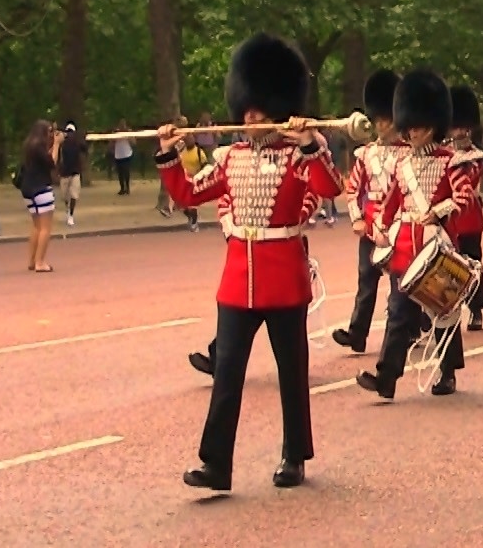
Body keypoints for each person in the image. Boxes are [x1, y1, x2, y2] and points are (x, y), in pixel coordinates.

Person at [155, 33, 344, 492]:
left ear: (276, 108)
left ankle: (294, 454)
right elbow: (187, 195)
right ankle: (216, 464)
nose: (250, 118)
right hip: (238, 283)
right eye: (247, 110)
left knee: (291, 374)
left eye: (259, 110)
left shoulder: (296, 157)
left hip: (284, 280)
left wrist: (311, 142)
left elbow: (330, 186)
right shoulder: (229, 158)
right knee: (227, 375)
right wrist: (169, 153)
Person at [356, 70, 473, 400]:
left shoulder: (450, 161)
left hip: (436, 246)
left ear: (432, 125)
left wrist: (437, 211)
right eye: (408, 127)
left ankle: (448, 372)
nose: (411, 133)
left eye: (418, 127)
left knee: (443, 312)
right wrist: (380, 227)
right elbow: (392, 200)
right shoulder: (402, 162)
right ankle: (386, 378)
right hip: (405, 248)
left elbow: (465, 197)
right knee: (398, 312)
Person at [334, 70, 404, 354]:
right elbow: (352, 189)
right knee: (366, 282)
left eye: (386, 120)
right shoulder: (365, 155)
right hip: (371, 225)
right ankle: (357, 332)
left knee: (400, 284)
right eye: (379, 120)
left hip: (398, 225)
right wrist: (357, 219)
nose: (381, 126)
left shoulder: (409, 154)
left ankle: (407, 329)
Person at [448, 84, 483, 332]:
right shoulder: (443, 153)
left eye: (462, 127)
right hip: (449, 220)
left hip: (469, 218)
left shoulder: (476, 157)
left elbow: (470, 180)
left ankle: (476, 309)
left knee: (473, 263)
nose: (458, 132)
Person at [19, 120, 60, 272]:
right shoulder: (39, 147)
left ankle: (32, 259)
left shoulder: (30, 146)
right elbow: (52, 162)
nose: (51, 134)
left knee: (36, 226)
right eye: (49, 131)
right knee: (45, 228)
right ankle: (40, 262)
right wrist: (56, 145)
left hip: (27, 189)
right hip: (41, 188)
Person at [55, 122, 84, 227]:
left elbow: (85, 149)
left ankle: (71, 214)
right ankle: (68, 210)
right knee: (65, 196)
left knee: (73, 195)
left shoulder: (78, 143)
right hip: (64, 173)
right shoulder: (62, 143)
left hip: (75, 172)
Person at [111, 124, 133, 195]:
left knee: (126, 171)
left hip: (127, 154)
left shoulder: (128, 131)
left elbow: (133, 142)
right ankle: (122, 188)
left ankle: (127, 187)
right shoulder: (115, 132)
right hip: (118, 155)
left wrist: (129, 134)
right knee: (120, 173)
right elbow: (111, 142)